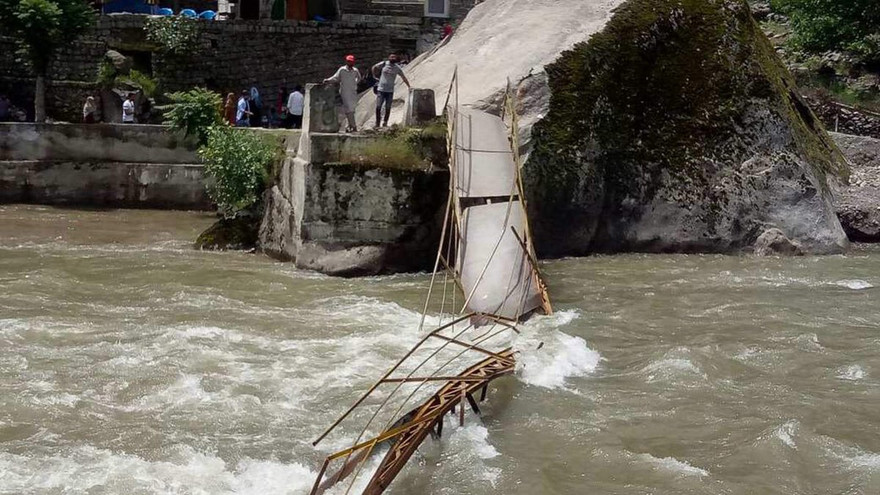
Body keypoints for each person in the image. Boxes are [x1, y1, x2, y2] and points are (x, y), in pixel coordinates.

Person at [324, 54, 362, 132]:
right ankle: (354, 126)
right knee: (349, 109)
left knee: (352, 109)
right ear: (346, 61)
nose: (350, 63)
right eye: (348, 61)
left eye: (351, 61)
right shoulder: (342, 70)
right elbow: (336, 78)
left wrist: (355, 83)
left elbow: (359, 78)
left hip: (353, 92)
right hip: (345, 92)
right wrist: (328, 80)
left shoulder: (355, 70)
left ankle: (347, 127)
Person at [371, 53, 410, 128]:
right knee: (378, 106)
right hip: (381, 89)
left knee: (388, 107)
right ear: (389, 57)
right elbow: (374, 67)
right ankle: (377, 123)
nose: (393, 58)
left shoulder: (397, 68)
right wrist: (375, 76)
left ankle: (385, 122)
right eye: (391, 57)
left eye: (394, 57)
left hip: (390, 91)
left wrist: (409, 86)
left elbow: (403, 77)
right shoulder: (384, 64)